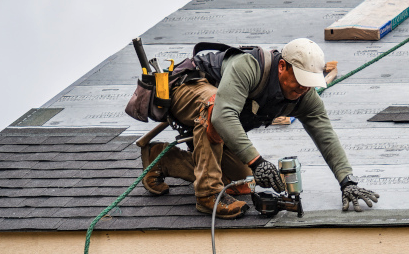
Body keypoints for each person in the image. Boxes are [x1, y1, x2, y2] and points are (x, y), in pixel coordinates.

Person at [140, 38, 379, 219]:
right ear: (282, 66)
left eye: (309, 84)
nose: (303, 89)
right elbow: (223, 115)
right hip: (187, 88)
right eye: (299, 81)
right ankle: (207, 195)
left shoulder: (304, 95)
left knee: (241, 182)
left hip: (214, 124)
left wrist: (347, 181)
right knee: (214, 107)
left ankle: (162, 160)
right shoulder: (250, 67)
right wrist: (258, 161)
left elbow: (325, 135)